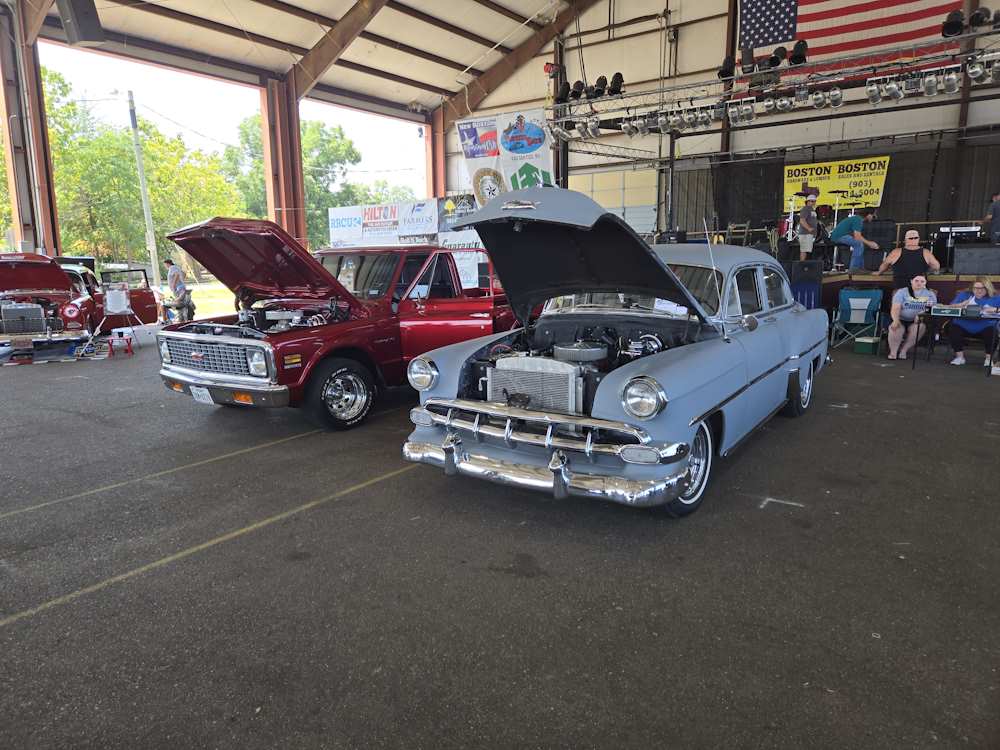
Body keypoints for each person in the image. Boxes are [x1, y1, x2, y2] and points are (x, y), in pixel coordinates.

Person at [947, 277, 1000, 366]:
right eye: (976, 288)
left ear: (988, 288)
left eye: (982, 288)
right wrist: (961, 304)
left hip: (985, 326)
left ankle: (988, 359)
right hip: (963, 325)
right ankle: (959, 357)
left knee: (992, 331)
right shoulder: (965, 295)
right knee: (952, 326)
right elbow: (950, 307)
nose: (978, 291)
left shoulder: (996, 297)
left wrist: (995, 309)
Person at [887, 274, 937, 360]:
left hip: (917, 320)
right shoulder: (902, 292)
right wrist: (896, 320)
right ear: (911, 281)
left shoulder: (930, 294)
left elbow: (930, 308)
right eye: (916, 281)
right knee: (895, 328)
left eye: (922, 281)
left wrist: (920, 314)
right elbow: (895, 307)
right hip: (901, 318)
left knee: (920, 327)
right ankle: (893, 352)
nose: (919, 283)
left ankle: (904, 350)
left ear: (925, 283)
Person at [874, 228, 940, 288]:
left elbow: (884, 265)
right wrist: (928, 269)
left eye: (915, 238)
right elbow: (936, 266)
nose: (913, 240)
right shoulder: (926, 252)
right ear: (905, 239)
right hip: (918, 290)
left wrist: (879, 272)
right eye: (911, 238)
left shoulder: (896, 252)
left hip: (900, 289)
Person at [163, 258, 194, 323]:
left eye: (165, 265)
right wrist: (182, 280)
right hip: (179, 287)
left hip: (178, 288)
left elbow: (176, 275)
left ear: (167, 264)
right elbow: (184, 274)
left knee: (179, 302)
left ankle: (181, 318)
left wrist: (174, 284)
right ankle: (181, 318)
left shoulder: (172, 268)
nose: (165, 266)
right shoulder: (176, 267)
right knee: (180, 302)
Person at [798, 194, 818, 261]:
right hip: (805, 233)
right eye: (812, 201)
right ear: (808, 201)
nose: (813, 203)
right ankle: (801, 265)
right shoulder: (806, 209)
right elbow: (802, 220)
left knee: (806, 249)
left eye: (814, 201)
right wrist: (809, 228)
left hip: (809, 234)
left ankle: (804, 265)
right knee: (804, 249)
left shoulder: (812, 210)